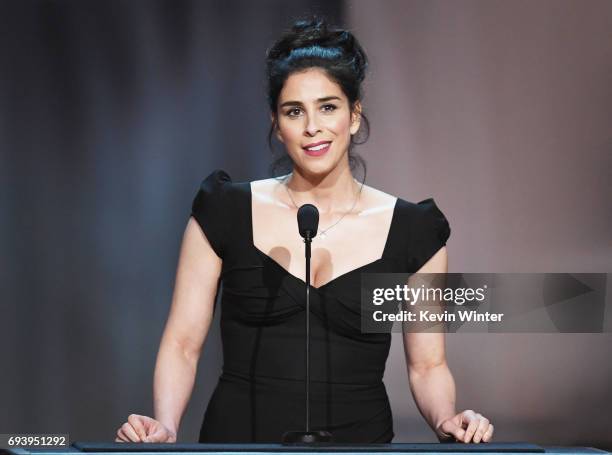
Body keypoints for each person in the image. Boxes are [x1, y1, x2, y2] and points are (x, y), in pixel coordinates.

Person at [116, 17, 494, 445]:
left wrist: (446, 418)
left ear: (354, 116)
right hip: (241, 444)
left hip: (359, 447)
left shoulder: (413, 233)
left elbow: (427, 365)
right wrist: (165, 425)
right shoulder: (225, 211)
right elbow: (183, 342)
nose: (312, 126)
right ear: (277, 124)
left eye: (328, 107)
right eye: (294, 111)